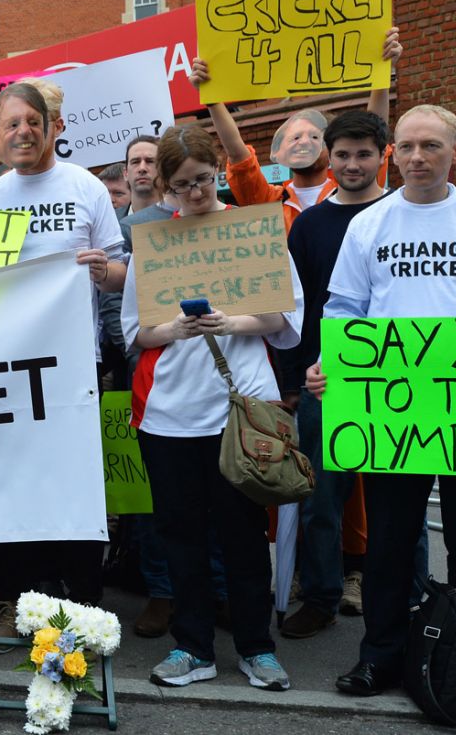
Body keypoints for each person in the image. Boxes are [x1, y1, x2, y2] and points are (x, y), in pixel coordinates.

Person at [122, 125, 302, 691]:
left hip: (239, 408)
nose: (196, 193)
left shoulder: (252, 231)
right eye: (182, 185)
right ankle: (193, 647)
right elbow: (137, 332)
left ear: (218, 172)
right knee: (182, 536)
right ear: (166, 188)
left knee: (245, 534)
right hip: (171, 415)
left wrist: (232, 322)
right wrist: (174, 327)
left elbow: (281, 320)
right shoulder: (153, 245)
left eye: (203, 180)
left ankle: (256, 647)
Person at [307, 104, 456, 696]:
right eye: (406, 146)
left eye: (431, 145)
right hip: (391, 409)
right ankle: (380, 655)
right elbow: (345, 308)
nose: (417, 157)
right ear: (393, 152)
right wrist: (335, 364)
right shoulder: (369, 226)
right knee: (390, 544)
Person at [0, 81, 126, 647]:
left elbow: (123, 274)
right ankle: (7, 597)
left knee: (73, 484)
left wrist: (99, 270)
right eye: (10, 125)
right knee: (9, 485)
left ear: (51, 127)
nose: (23, 132)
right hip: (6, 369)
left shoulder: (85, 186)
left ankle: (78, 603)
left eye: (32, 121)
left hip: (72, 367)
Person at [277, 111, 393, 640]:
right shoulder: (311, 223)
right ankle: (321, 595)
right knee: (319, 496)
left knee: (397, 497)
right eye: (342, 154)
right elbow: (299, 307)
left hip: (399, 380)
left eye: (363, 155)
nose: (351, 164)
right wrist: (297, 376)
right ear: (330, 155)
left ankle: (404, 597)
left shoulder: (398, 214)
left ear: (380, 156)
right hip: (326, 380)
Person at [189, 28, 401, 228]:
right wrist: (212, 100)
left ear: (332, 151)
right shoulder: (269, 200)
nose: (304, 142)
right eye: (295, 137)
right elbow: (237, 153)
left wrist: (381, 72)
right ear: (279, 151)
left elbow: (374, 131)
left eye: (314, 137)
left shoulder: (354, 183)